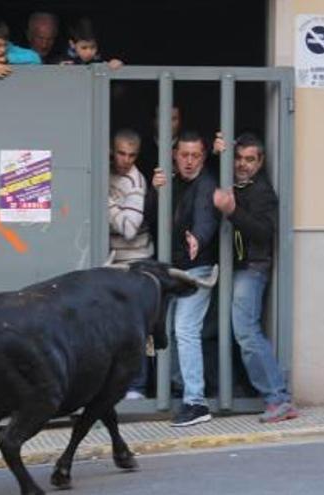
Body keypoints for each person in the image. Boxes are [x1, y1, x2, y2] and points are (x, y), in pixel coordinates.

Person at [212, 133, 297, 423]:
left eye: (250, 159)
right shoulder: (231, 183)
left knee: (246, 332)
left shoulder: (262, 192)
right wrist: (217, 155)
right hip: (229, 266)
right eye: (238, 158)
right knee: (229, 331)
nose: (242, 165)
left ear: (260, 162)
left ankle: (278, 398)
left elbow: (264, 232)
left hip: (251, 267)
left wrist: (233, 211)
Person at [159, 131, 220, 427]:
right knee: (170, 330)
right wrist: (154, 191)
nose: (189, 161)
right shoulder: (172, 181)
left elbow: (206, 215)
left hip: (197, 270)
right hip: (173, 269)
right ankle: (180, 386)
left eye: (195, 155)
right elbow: (153, 217)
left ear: (204, 157)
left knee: (184, 330)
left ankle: (196, 402)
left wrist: (199, 237)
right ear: (174, 154)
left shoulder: (206, 182)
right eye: (184, 154)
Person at [108, 129, 155, 399]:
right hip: (112, 264)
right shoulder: (102, 169)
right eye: (121, 153)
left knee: (136, 329)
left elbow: (128, 227)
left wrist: (106, 203)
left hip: (136, 263)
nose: (125, 160)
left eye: (132, 155)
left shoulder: (136, 183)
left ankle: (137, 387)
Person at [57, 17, 122, 70]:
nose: (89, 52)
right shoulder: (63, 59)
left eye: (93, 47)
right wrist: (59, 69)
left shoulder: (99, 58)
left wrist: (114, 63)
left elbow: (108, 64)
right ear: (72, 44)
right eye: (84, 48)